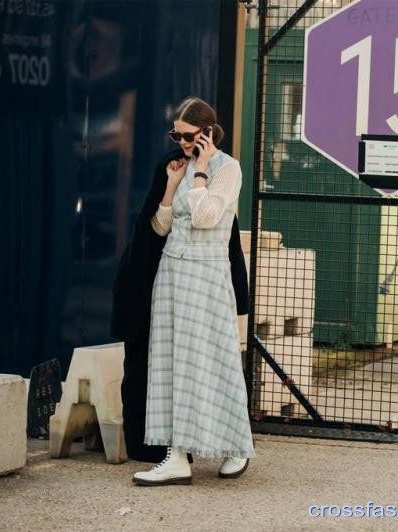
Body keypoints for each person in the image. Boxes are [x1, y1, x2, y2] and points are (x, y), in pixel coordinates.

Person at [113, 97, 256, 486]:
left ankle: (236, 445)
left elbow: (207, 218)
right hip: (172, 275)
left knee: (217, 361)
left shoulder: (228, 169)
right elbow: (161, 227)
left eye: (187, 135)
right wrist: (172, 185)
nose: (179, 141)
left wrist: (201, 172)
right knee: (168, 364)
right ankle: (175, 455)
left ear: (208, 133)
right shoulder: (178, 168)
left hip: (207, 277)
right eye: (175, 133)